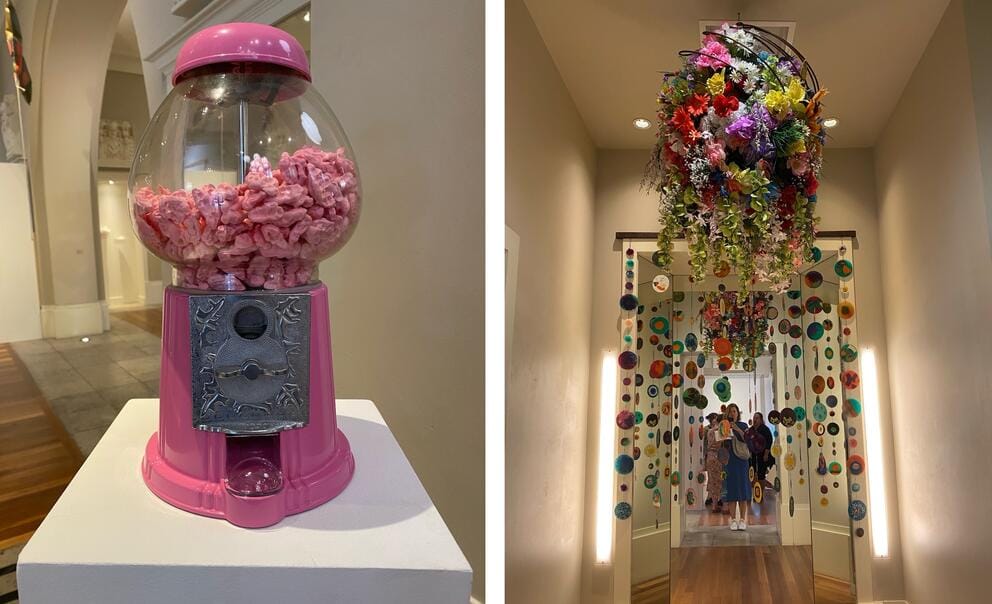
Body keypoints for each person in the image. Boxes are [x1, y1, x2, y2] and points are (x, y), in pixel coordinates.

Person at [723, 404, 751, 531]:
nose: (732, 413)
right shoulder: (724, 425)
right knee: (732, 490)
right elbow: (722, 443)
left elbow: (746, 439)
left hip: (742, 461)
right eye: (730, 412)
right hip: (730, 461)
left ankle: (743, 519)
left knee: (743, 490)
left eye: (734, 411)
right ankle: (733, 519)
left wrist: (735, 428)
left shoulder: (744, 425)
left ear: (737, 413)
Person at [703, 413, 724, 512]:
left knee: (712, 481)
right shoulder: (722, 431)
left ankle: (714, 505)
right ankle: (722, 503)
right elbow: (722, 446)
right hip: (719, 457)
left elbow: (708, 445)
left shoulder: (710, 431)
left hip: (710, 457)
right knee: (720, 481)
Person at [748, 412, 775, 490]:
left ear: (761, 419)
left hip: (762, 454)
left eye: (757, 418)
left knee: (761, 473)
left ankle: (761, 491)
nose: (755, 420)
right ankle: (755, 491)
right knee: (753, 473)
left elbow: (769, 441)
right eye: (754, 418)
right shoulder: (751, 429)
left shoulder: (765, 429)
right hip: (753, 455)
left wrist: (766, 454)